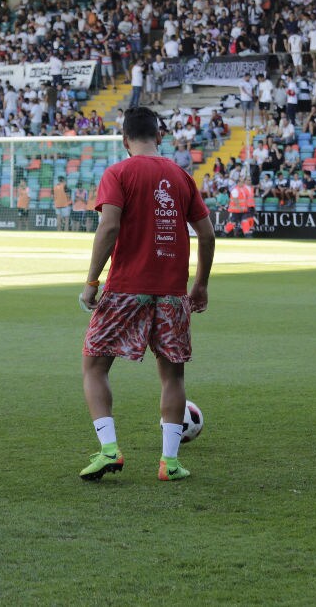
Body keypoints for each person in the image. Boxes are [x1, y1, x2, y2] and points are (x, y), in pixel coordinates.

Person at [78, 107, 214, 482]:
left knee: (95, 365)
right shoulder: (181, 176)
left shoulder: (118, 172)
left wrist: (92, 281)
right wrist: (200, 284)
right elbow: (207, 234)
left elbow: (109, 227)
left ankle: (109, 450)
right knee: (172, 376)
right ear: (160, 136)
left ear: (125, 140)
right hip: (172, 293)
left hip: (125, 289)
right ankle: (169, 463)